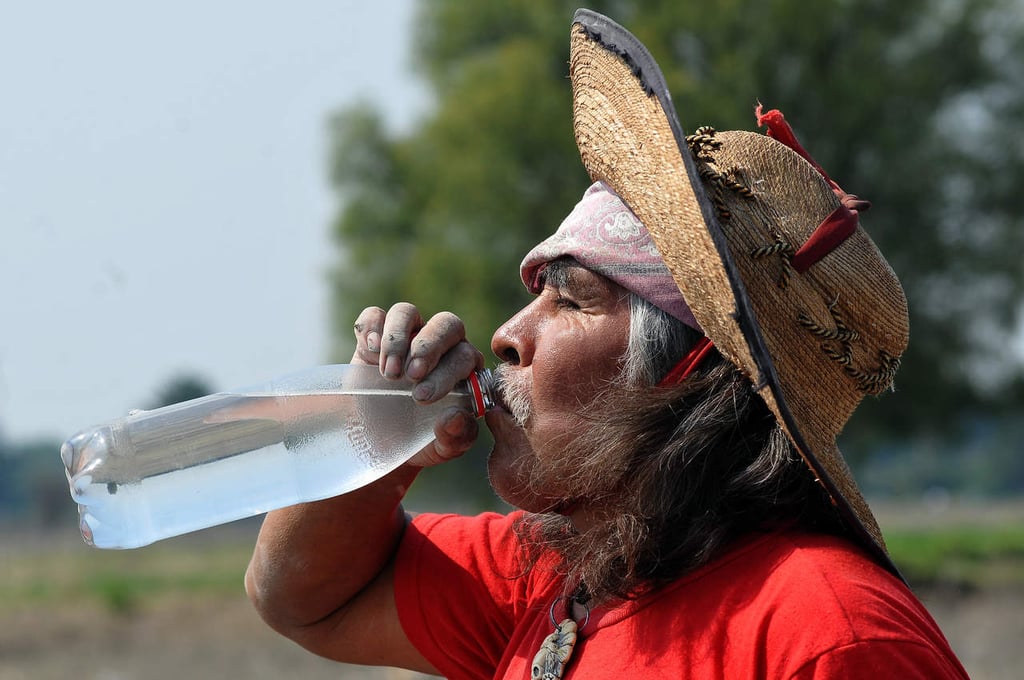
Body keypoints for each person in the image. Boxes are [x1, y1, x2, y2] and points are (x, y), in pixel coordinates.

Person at [245, 9, 967, 679]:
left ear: (685, 370)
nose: (505, 335)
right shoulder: (551, 577)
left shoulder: (830, 635)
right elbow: (304, 598)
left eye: (569, 298)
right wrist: (371, 433)